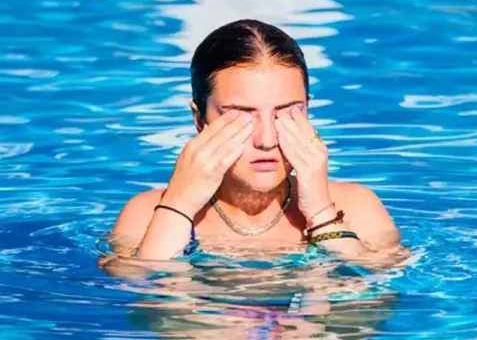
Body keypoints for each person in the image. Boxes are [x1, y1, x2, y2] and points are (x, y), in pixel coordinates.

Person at [109, 18, 403, 264]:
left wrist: (322, 214)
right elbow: (144, 297)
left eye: (287, 113)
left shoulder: (356, 208)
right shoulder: (148, 215)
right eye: (241, 116)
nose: (266, 140)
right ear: (200, 120)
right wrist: (180, 205)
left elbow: (373, 303)